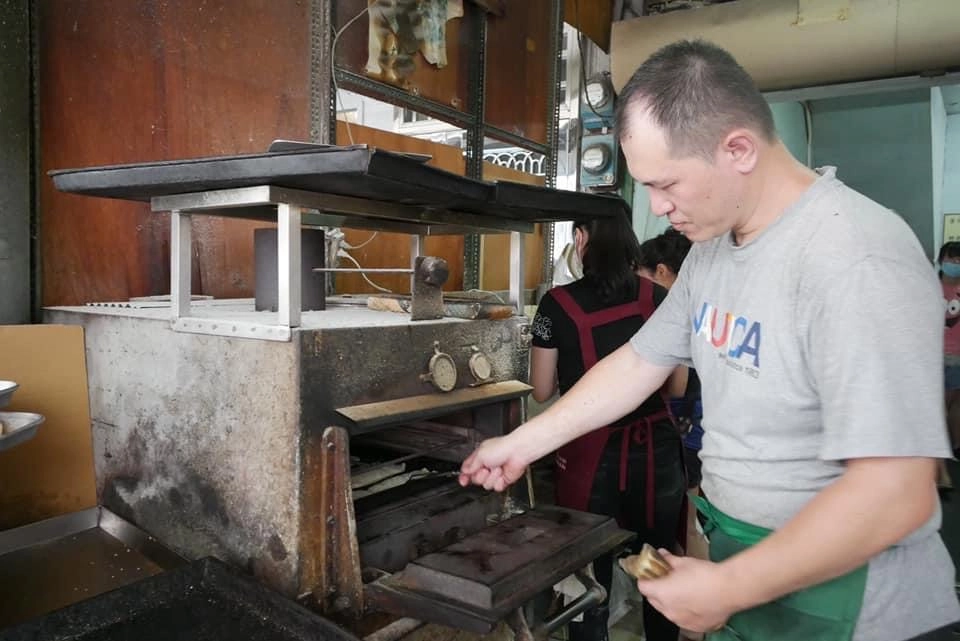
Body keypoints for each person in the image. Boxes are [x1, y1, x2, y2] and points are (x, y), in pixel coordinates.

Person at [461, 39, 960, 641]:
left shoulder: (856, 256)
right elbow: (641, 361)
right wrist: (524, 442)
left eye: (666, 183)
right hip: (750, 564)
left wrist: (729, 588)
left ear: (738, 149)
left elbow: (896, 492)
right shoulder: (712, 250)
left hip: (859, 607)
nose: (655, 206)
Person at [529, 215, 686, 641]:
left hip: (588, 458)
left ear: (579, 238)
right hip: (656, 456)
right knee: (659, 563)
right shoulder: (659, 296)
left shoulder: (555, 304)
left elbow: (542, 390)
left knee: (587, 575)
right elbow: (675, 386)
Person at [637, 229, 702, 489]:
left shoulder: (680, 312)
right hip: (701, 433)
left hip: (689, 429)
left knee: (686, 495)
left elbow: (676, 388)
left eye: (641, 276)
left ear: (661, 271)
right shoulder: (699, 300)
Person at [940, 241, 960, 456]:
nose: (955, 263)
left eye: (959, 259)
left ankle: (955, 444)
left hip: (958, 356)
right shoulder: (928, 285)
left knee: (955, 403)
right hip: (933, 355)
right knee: (939, 403)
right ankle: (941, 449)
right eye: (951, 258)